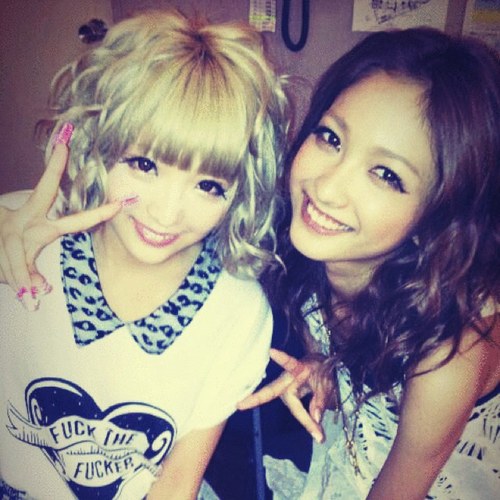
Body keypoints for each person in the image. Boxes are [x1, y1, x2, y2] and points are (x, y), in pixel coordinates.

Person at [0, 9, 288, 499]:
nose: (167, 213)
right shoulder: (20, 239)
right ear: (101, 141)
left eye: (208, 185)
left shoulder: (238, 313)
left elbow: (176, 484)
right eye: (144, 164)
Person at [239, 27, 500, 499]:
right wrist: (323, 366)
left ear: (438, 217)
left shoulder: (450, 350)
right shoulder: (318, 254)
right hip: (356, 458)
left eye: (386, 174)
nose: (326, 188)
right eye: (331, 137)